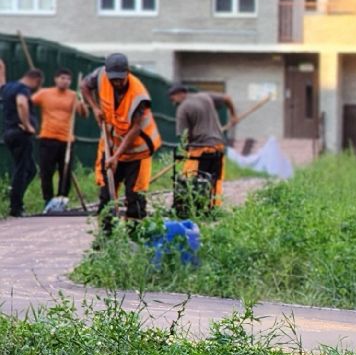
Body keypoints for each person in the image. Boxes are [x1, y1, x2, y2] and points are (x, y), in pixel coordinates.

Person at [90, 53, 162, 227]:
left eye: (120, 79)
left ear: (127, 72)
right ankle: (106, 238)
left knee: (135, 197)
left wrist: (116, 156)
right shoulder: (100, 76)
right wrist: (94, 108)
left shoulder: (138, 95)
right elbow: (85, 87)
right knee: (107, 195)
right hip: (113, 146)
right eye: (113, 79)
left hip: (138, 151)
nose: (117, 83)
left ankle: (135, 238)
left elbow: (135, 129)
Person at [168, 84, 236, 215]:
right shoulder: (205, 96)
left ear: (179, 94)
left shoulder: (183, 108)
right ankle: (213, 208)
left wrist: (187, 149)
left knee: (191, 179)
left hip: (200, 150)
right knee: (214, 180)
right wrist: (233, 116)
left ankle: (193, 208)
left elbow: (183, 136)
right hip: (218, 147)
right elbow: (227, 98)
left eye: (173, 99)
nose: (173, 102)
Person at [31, 68, 85, 207]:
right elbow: (29, 103)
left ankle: (62, 198)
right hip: (48, 137)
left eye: (68, 79)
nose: (65, 81)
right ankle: (48, 200)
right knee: (46, 171)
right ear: (56, 79)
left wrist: (82, 100)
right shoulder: (44, 93)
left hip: (66, 140)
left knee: (65, 170)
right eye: (62, 78)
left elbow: (83, 114)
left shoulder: (73, 96)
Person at [1, 67, 41, 218]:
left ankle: (14, 195)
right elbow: (22, 104)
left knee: (30, 169)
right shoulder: (23, 89)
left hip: (9, 133)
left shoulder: (7, 87)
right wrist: (28, 125)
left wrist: (2, 67)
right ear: (36, 80)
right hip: (20, 133)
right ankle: (15, 206)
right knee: (22, 169)